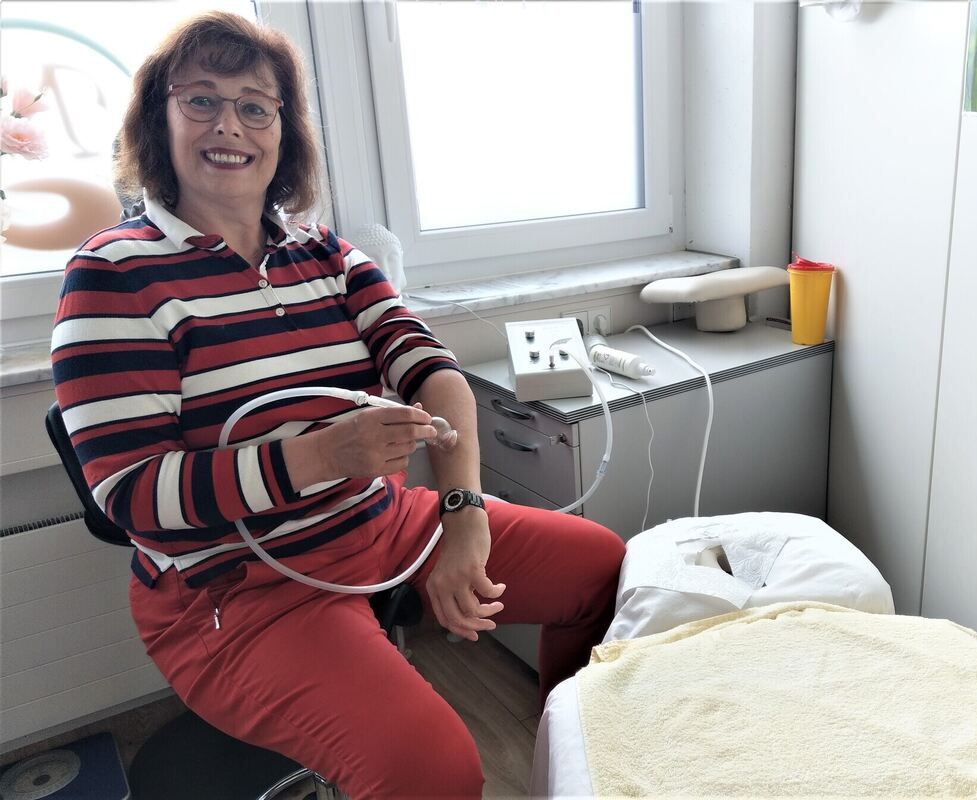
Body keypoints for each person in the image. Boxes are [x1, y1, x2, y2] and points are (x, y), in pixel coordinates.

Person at [50, 11, 625, 798]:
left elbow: (436, 376)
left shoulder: (323, 253)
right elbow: (130, 495)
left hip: (383, 527)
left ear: (284, 131)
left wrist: (463, 515)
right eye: (201, 100)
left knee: (601, 569)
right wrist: (322, 455)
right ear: (159, 118)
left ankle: (576, 763)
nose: (230, 126)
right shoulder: (113, 274)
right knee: (434, 769)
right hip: (236, 590)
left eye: (256, 106)